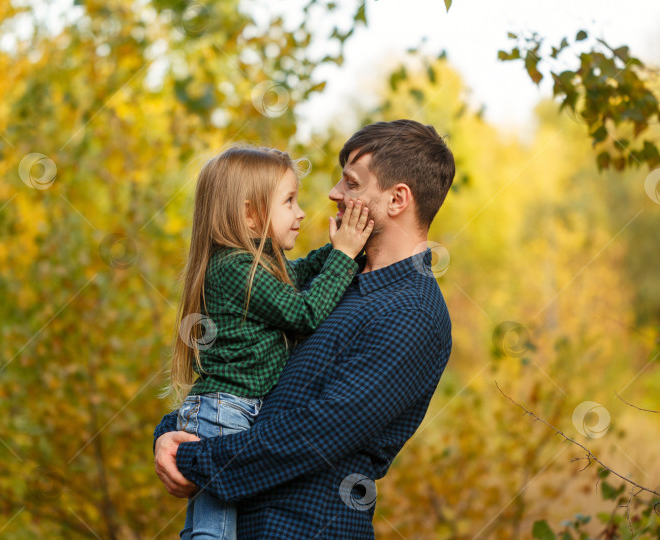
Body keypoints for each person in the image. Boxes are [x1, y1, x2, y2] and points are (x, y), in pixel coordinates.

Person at [154, 120, 456, 539]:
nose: (334, 194)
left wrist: (194, 458)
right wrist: (173, 433)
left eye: (351, 183)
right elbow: (244, 373)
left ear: (397, 199)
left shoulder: (413, 312)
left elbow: (316, 433)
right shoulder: (333, 283)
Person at [163, 145, 374, 539]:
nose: (301, 213)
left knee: (209, 529)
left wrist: (338, 248)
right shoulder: (236, 268)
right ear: (248, 213)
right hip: (225, 413)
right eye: (289, 201)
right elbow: (305, 312)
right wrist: (345, 255)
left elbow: (298, 274)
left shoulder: (251, 265)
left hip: (227, 409)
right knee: (215, 532)